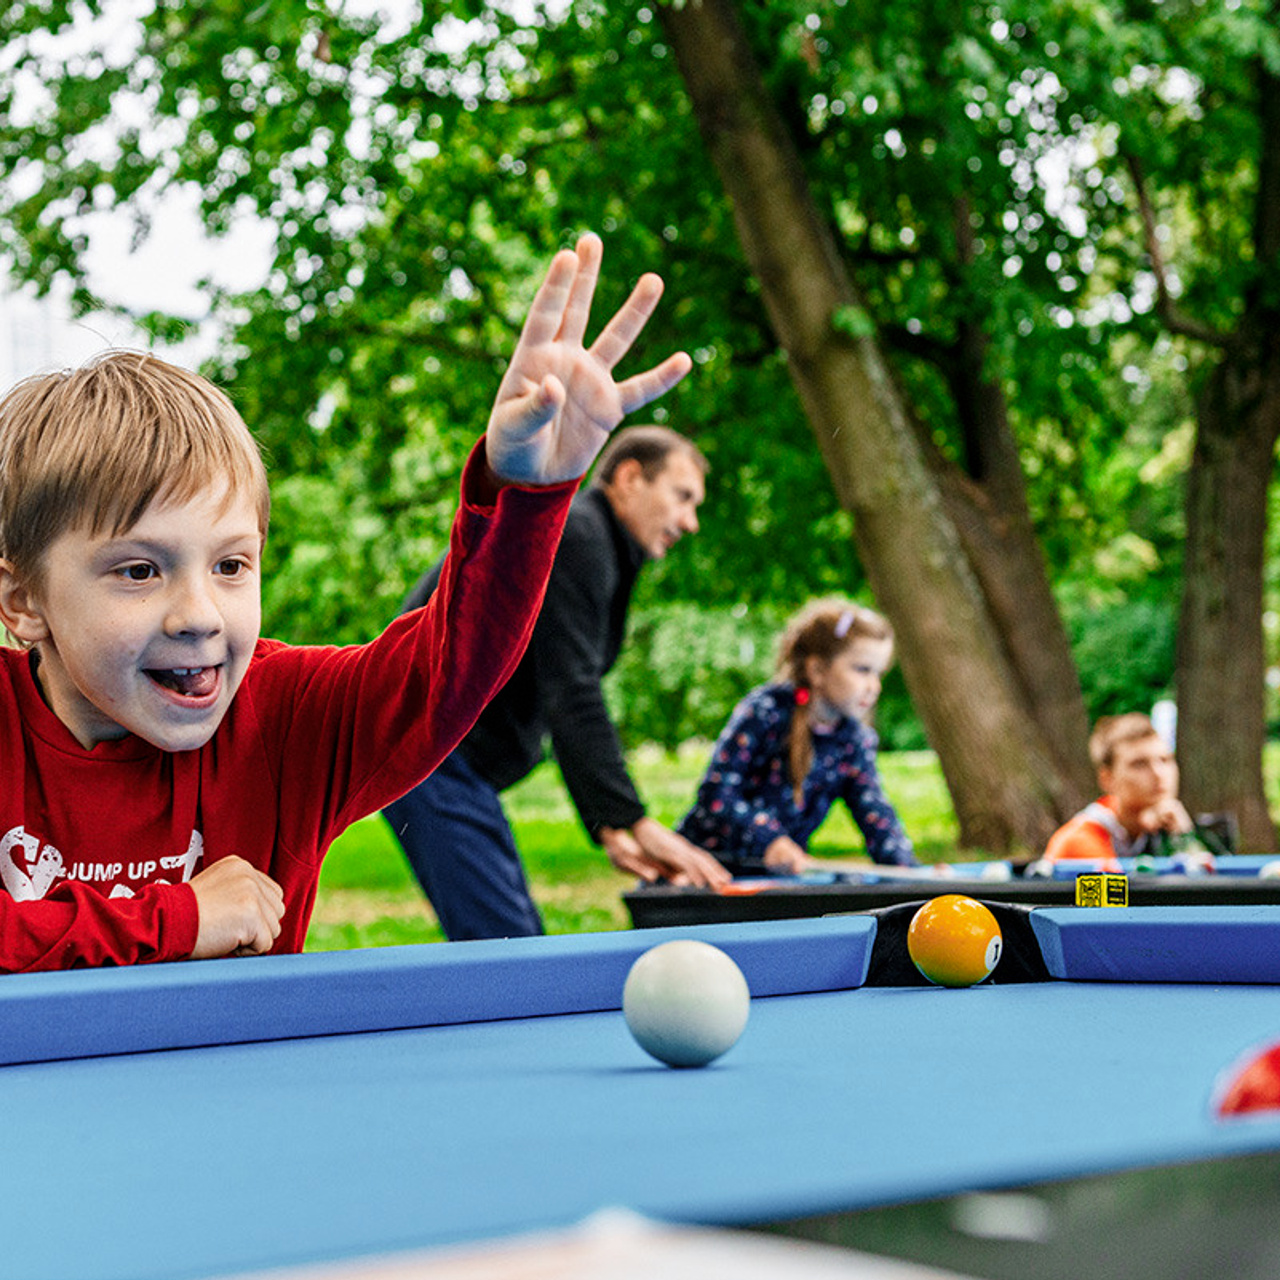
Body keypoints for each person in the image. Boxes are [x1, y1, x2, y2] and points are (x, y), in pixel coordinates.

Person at [0, 232, 691, 971]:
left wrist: (526, 496)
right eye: (139, 571)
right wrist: (179, 918)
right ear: (23, 601)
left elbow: (448, 668)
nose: (198, 614)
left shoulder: (285, 721)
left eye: (231, 564)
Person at [383, 424, 732, 940]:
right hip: (428, 752)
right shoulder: (578, 536)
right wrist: (630, 818)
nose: (691, 521)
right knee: (509, 952)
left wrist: (610, 827)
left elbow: (559, 676)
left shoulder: (595, 544)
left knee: (513, 943)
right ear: (630, 477)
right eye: (682, 497)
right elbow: (572, 691)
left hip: (451, 760)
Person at [677, 599, 916, 874]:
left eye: (879, 672)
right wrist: (769, 839)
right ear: (816, 670)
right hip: (699, 875)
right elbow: (716, 795)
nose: (873, 686)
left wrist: (912, 873)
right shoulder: (766, 712)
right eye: (862, 669)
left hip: (771, 885)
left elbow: (876, 814)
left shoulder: (853, 740)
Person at [1043, 712, 1221, 866]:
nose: (1159, 774)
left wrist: (1182, 833)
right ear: (1107, 779)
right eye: (1139, 764)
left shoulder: (1158, 828)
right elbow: (1120, 899)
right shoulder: (1080, 839)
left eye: (1165, 760)